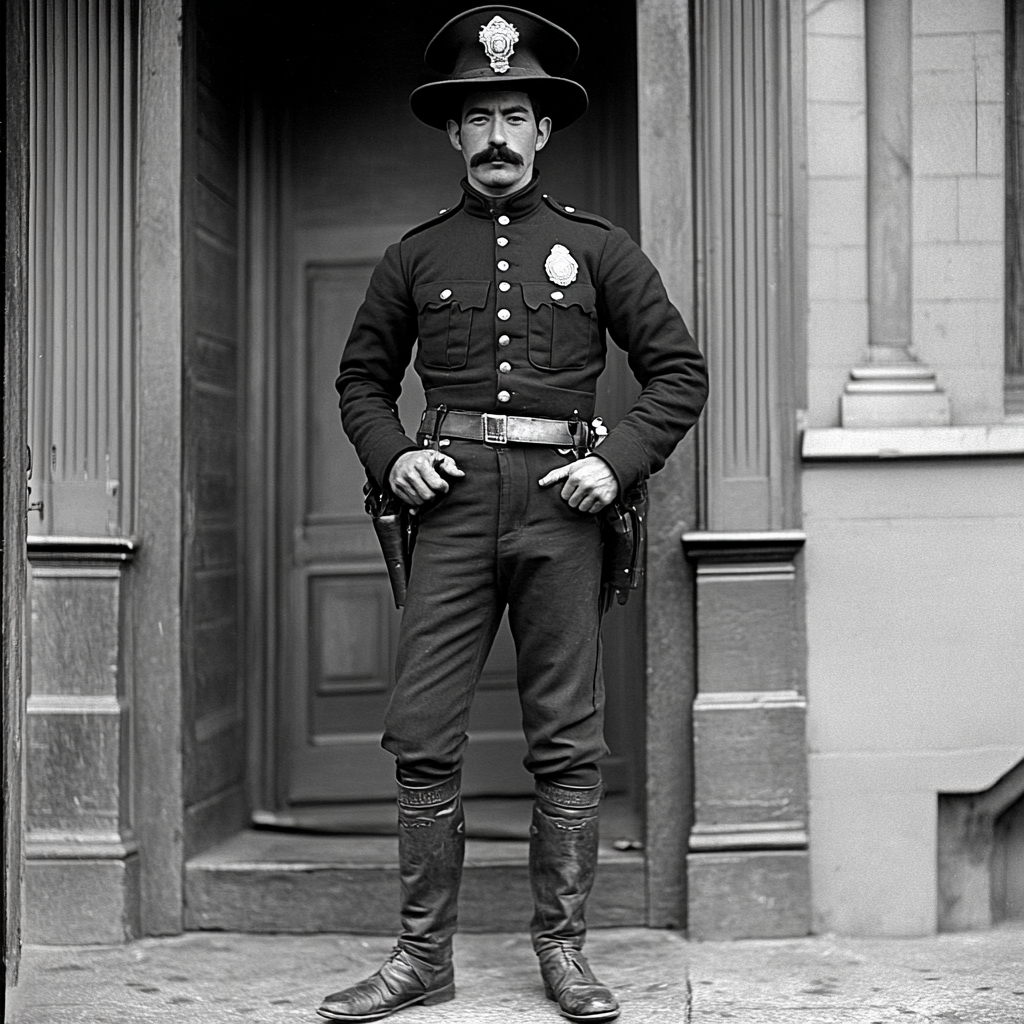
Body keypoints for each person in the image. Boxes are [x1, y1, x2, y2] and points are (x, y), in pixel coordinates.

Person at [321, 7, 708, 1022]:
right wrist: (394, 453)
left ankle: (564, 950)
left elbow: (676, 371)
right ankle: (421, 958)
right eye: (478, 117)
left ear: (543, 132)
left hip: (559, 513)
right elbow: (360, 382)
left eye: (515, 116)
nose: (496, 136)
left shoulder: (597, 249)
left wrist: (616, 466)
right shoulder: (415, 258)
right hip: (447, 514)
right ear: (453, 135)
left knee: (566, 739)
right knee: (421, 736)